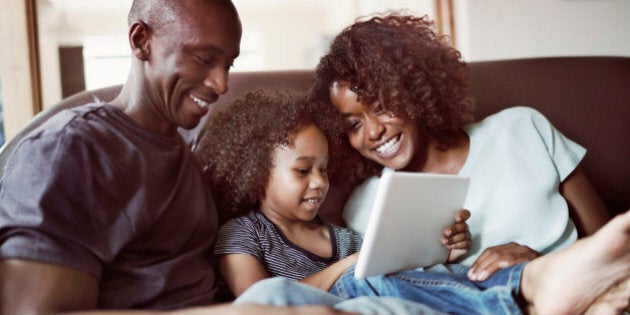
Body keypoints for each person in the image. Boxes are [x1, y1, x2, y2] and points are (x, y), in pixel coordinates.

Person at [0, 1, 351, 314]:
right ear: (141, 41)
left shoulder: (184, 156)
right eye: (203, 59)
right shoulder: (72, 149)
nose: (220, 84)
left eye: (227, 65)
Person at [194, 90, 630, 314]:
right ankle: (527, 296)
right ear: (254, 173)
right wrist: (355, 265)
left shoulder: (342, 235)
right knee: (300, 292)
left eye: (325, 169)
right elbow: (250, 303)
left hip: (391, 299)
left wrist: (440, 248)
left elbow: (409, 280)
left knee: (409, 280)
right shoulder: (246, 233)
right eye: (303, 170)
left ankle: (530, 283)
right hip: (349, 301)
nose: (319, 183)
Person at [309, 13, 612, 283]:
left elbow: (612, 247)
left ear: (414, 89)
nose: (374, 131)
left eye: (383, 106)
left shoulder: (522, 128)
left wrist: (539, 267)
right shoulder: (365, 208)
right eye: (353, 126)